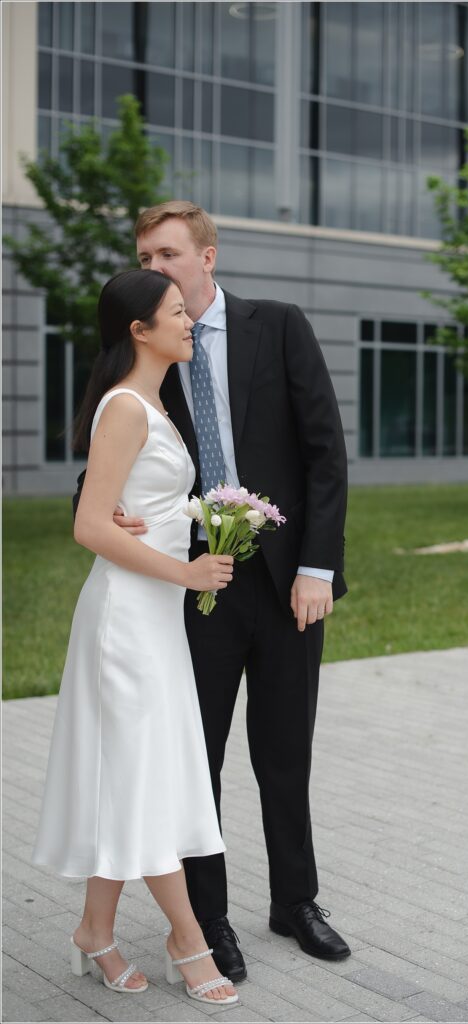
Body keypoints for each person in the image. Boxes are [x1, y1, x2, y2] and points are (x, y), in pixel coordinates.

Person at [74, 200, 350, 980]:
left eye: (166, 255)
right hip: (188, 592)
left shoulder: (279, 324)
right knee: (197, 762)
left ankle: (296, 902)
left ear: (207, 257)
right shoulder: (147, 355)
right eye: (145, 256)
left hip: (288, 582)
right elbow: (100, 467)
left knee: (285, 751)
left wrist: (316, 568)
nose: (153, 268)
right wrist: (102, 515)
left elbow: (325, 453)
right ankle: (208, 923)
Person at [33, 270, 239, 1007]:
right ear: (139, 332)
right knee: (145, 776)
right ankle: (189, 938)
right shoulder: (127, 406)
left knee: (131, 774)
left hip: (153, 615)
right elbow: (90, 525)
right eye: (177, 313)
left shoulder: (152, 401)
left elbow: (126, 502)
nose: (191, 322)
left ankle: (95, 930)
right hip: (127, 621)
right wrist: (186, 574)